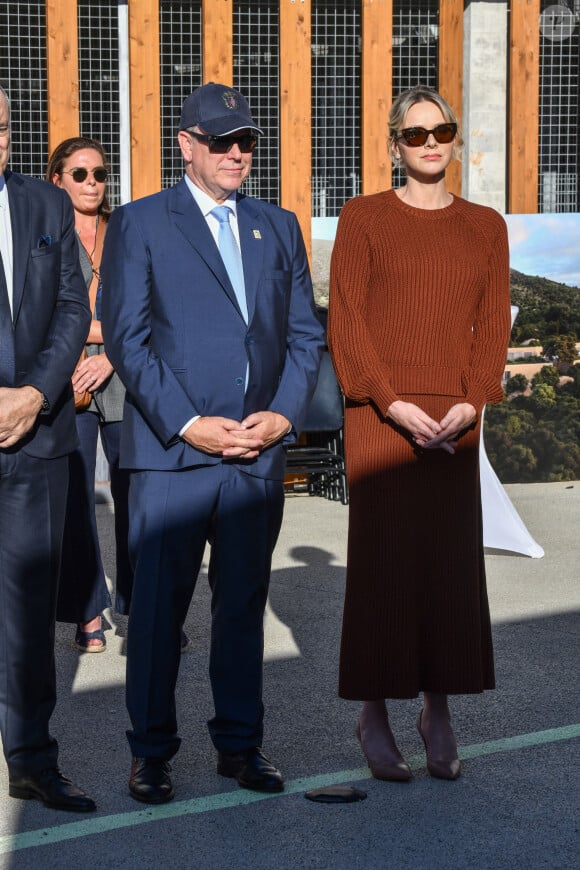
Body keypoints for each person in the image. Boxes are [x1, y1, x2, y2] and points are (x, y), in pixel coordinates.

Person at [101, 82, 324, 804]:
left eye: (246, 141)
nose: (236, 153)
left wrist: (284, 416)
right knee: (161, 612)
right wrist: (190, 422)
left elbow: (302, 336)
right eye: (221, 141)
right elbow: (130, 342)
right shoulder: (141, 224)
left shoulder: (278, 225)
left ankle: (240, 745)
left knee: (240, 608)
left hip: (257, 453)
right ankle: (152, 752)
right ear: (186, 144)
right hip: (174, 455)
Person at [327, 85, 511, 782]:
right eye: (416, 134)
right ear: (393, 143)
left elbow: (492, 326)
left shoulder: (485, 225)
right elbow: (347, 323)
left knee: (446, 565)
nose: (431, 143)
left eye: (443, 131)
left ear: (456, 138)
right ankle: (372, 708)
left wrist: (472, 403)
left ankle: (437, 707)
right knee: (383, 564)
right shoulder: (363, 216)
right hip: (381, 417)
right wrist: (392, 403)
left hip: (456, 420)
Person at [0, 86, 94, 810]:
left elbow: (72, 306)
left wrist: (35, 393)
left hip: (37, 438)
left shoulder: (45, 204)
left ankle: (31, 757)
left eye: (0, 129)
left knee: (29, 610)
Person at [46, 137, 132, 652]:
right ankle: (87, 613)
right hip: (67, 377)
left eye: (99, 174)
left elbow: (152, 306)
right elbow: (39, 313)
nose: (92, 184)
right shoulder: (44, 234)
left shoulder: (126, 231)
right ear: (57, 179)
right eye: (79, 175)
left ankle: (143, 609)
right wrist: (92, 339)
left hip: (122, 373)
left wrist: (111, 353)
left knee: (137, 495)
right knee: (77, 498)